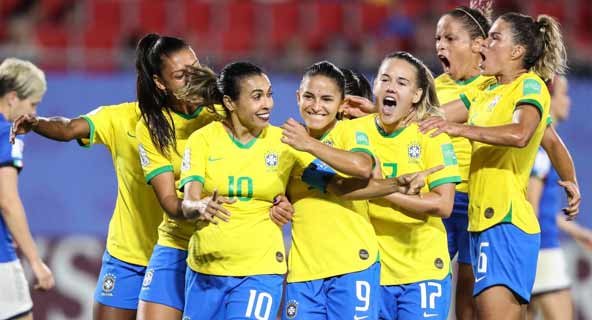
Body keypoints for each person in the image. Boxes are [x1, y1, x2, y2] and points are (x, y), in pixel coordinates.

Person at [8, 34, 187, 320]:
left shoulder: (212, 120)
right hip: (127, 256)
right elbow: (68, 128)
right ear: (159, 81)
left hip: (180, 256)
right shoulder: (121, 118)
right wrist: (38, 123)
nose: (192, 79)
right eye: (180, 74)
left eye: (195, 69)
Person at [419, 13, 578, 319]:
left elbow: (521, 134)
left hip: (505, 222)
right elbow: (432, 117)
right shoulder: (486, 90)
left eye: (494, 38)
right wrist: (374, 112)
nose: (484, 45)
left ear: (516, 52)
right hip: (484, 221)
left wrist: (462, 130)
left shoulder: (529, 86)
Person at [313, 52, 460, 320]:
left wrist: (384, 189)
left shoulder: (432, 136)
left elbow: (443, 204)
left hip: (422, 270)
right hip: (370, 271)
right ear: (376, 87)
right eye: (385, 79)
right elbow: (321, 177)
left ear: (416, 95)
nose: (391, 86)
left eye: (402, 82)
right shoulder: (354, 131)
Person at [176, 61, 299, 319]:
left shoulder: (284, 142)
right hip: (206, 269)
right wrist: (199, 206)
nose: (268, 104)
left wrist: (290, 204)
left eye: (269, 94)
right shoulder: (203, 140)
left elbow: (320, 187)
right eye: (257, 97)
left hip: (260, 269)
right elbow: (188, 204)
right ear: (230, 103)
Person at [280, 61, 381, 319]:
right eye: (309, 97)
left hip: (352, 264)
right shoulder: (286, 145)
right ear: (297, 97)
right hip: (303, 270)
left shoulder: (351, 131)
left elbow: (362, 166)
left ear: (341, 103)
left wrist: (309, 144)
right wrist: (278, 204)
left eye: (326, 99)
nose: (316, 106)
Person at [433, 6, 492, 319]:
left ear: (478, 45)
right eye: (438, 38)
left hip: (478, 200)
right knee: (432, 277)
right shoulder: (433, 86)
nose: (440, 45)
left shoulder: (494, 85)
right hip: (440, 196)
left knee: (469, 286)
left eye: (450, 38)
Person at [527, 75, 592, 320]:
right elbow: (531, 209)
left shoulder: (539, 145)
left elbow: (541, 210)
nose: (568, 102)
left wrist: (578, 233)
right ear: (548, 100)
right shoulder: (542, 149)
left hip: (535, 251)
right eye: (563, 95)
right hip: (543, 251)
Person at [0, 58, 55, 320]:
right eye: (32, 104)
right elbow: (7, 201)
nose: (33, 114)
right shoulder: (5, 133)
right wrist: (35, 261)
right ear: (12, 98)